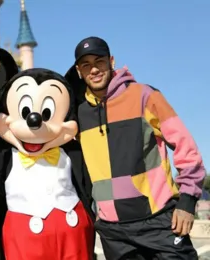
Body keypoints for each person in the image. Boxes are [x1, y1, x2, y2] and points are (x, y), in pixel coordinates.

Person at [65, 36, 206, 260]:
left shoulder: (144, 96)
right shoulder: (78, 113)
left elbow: (186, 148)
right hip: (113, 232)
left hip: (159, 220)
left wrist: (187, 202)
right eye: (86, 65)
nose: (94, 70)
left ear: (111, 61)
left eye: (99, 61)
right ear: (79, 71)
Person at [0, 65, 96, 260]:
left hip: (74, 233)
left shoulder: (72, 152)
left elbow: (89, 187)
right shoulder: (2, 154)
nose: (34, 120)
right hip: (25, 239)